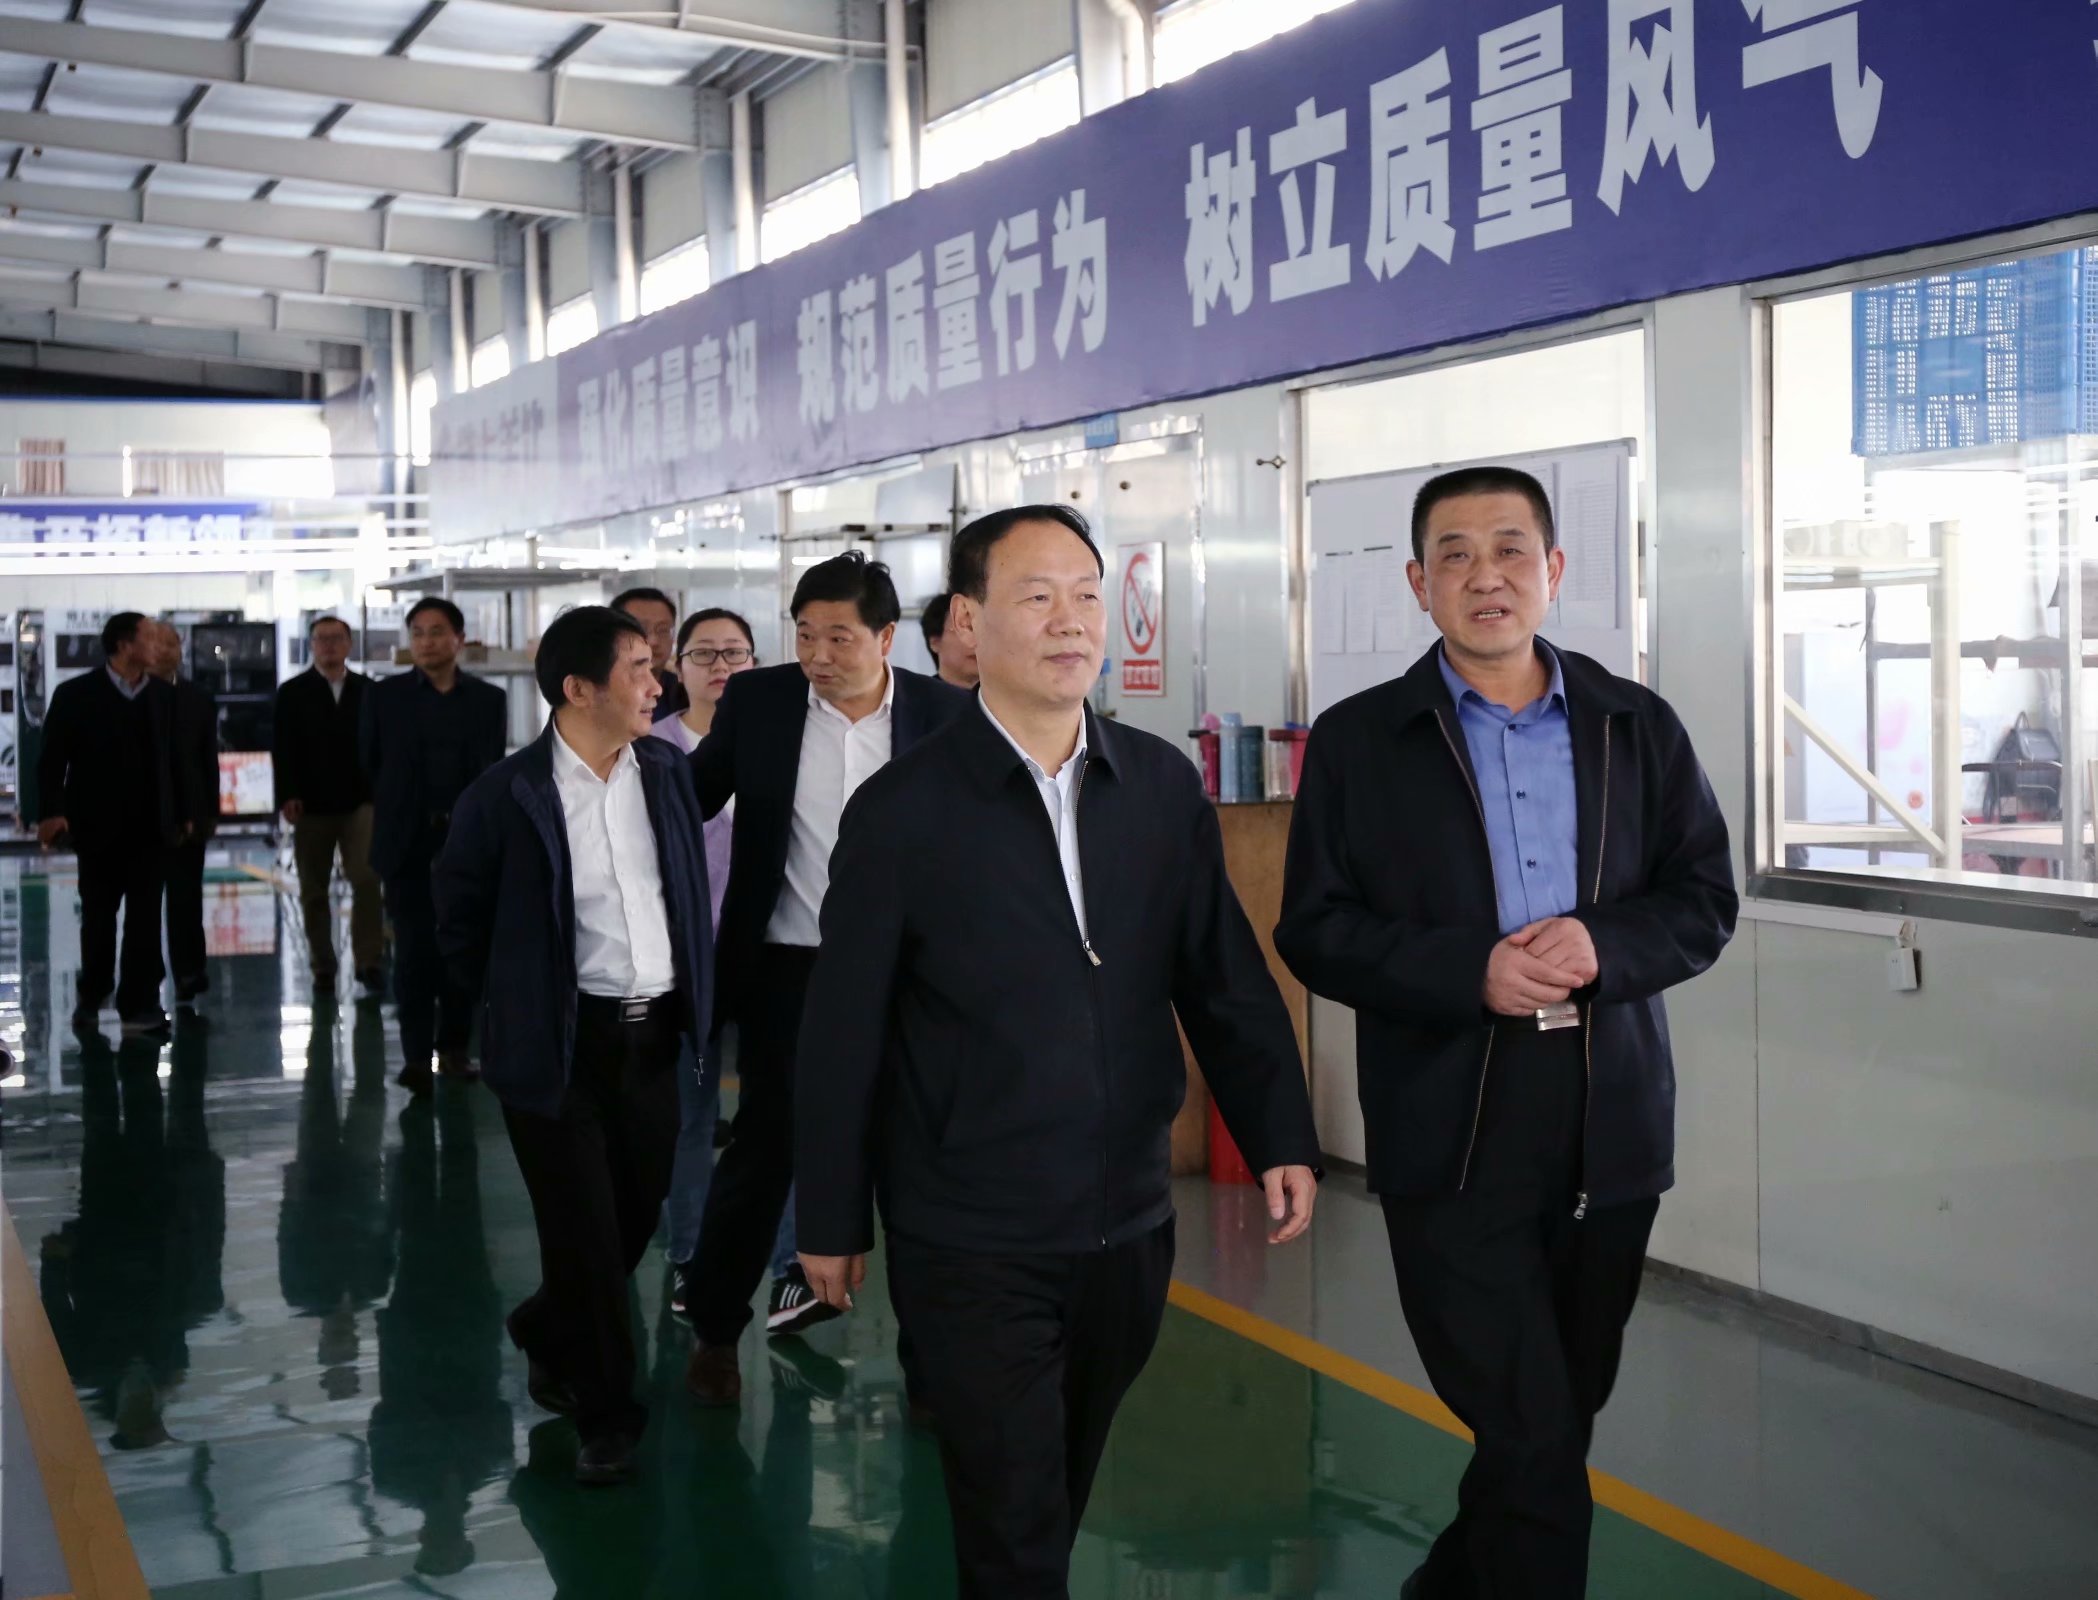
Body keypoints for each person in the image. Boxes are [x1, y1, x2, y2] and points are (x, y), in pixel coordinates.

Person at [794, 506, 1322, 1599]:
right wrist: (832, 1217)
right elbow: (843, 1029)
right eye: (1036, 596)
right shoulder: (902, 811)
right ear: (969, 623)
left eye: (1087, 594)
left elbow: (1222, 977)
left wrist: (1279, 1130)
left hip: (1126, 1220)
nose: (1070, 619)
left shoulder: (1158, 788)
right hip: (969, 1226)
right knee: (1015, 1525)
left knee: (1055, 1488)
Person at [1274, 466, 1738, 1600]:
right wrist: (1464, 970)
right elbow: (1316, 930)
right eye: (1456, 554)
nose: (1487, 575)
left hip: (1607, 1116)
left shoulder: (1636, 725)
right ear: (1418, 583)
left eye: (1511, 549)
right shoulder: (1360, 739)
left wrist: (1604, 944)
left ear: (1554, 569)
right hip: (1451, 1117)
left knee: (1553, 1419)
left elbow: (1702, 899)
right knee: (1531, 1429)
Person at [435, 605, 715, 1487]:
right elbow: (457, 921)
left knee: (631, 1217)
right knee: (585, 1235)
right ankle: (607, 1415)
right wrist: (513, 1007)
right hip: (560, 1046)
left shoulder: (665, 772)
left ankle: (544, 1324)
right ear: (578, 689)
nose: (657, 684)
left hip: (653, 1037)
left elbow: (685, 891)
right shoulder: (506, 796)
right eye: (639, 668)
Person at [683, 551, 970, 1407]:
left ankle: (932, 1358)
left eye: (839, 637)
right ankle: (714, 1331)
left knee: (919, 1159)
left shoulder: (946, 716)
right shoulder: (761, 703)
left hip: (912, 976)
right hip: (789, 968)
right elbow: (690, 797)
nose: (818, 654)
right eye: (805, 635)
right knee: (766, 1149)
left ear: (886, 637)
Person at [648, 608, 807, 1327]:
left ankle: (791, 1264)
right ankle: (690, 1252)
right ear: (677, 666)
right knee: (691, 1117)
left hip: (773, 957)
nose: (721, 667)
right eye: (705, 654)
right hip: (686, 964)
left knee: (779, 1118)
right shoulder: (653, 751)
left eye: (735, 654)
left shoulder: (787, 743)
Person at [361, 597, 506, 1094]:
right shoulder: (385, 696)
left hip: (465, 844)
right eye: (418, 632)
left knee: (462, 951)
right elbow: (369, 762)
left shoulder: (488, 699)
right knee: (414, 953)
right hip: (406, 844)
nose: (426, 641)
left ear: (459, 639)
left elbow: (491, 769)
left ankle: (455, 1050)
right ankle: (416, 1057)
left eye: (437, 631)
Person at [32, 612, 184, 1037]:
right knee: (99, 918)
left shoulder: (163, 697)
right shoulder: (75, 695)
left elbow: (177, 763)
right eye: (150, 638)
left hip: (151, 830)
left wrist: (186, 815)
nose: (159, 646)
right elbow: (51, 761)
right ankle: (92, 994)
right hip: (96, 829)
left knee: (145, 920)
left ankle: (139, 1005)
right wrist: (51, 813)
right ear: (124, 645)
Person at [274, 616, 384, 995]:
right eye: (322, 639)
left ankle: (369, 962)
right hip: (310, 804)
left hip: (360, 801)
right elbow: (282, 749)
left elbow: (381, 746)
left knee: (366, 879)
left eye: (337, 638)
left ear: (349, 644)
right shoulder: (293, 692)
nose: (329, 645)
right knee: (313, 888)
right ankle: (323, 965)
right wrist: (287, 794)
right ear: (311, 646)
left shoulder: (369, 691)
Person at [149, 622, 219, 1008]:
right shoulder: (132, 696)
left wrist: (208, 812)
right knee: (143, 903)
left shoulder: (198, 698)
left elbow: (207, 761)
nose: (164, 650)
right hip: (142, 815)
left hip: (190, 815)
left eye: (172, 643)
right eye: (156, 643)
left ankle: (190, 972)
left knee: (186, 898)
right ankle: (147, 979)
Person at [612, 585, 688, 722]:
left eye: (663, 630)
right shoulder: (598, 693)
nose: (653, 641)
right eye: (640, 629)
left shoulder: (686, 693)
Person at [919, 591, 979, 690]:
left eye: (982, 631)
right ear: (935, 642)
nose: (977, 642)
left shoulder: (1003, 696)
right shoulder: (916, 697)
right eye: (967, 628)